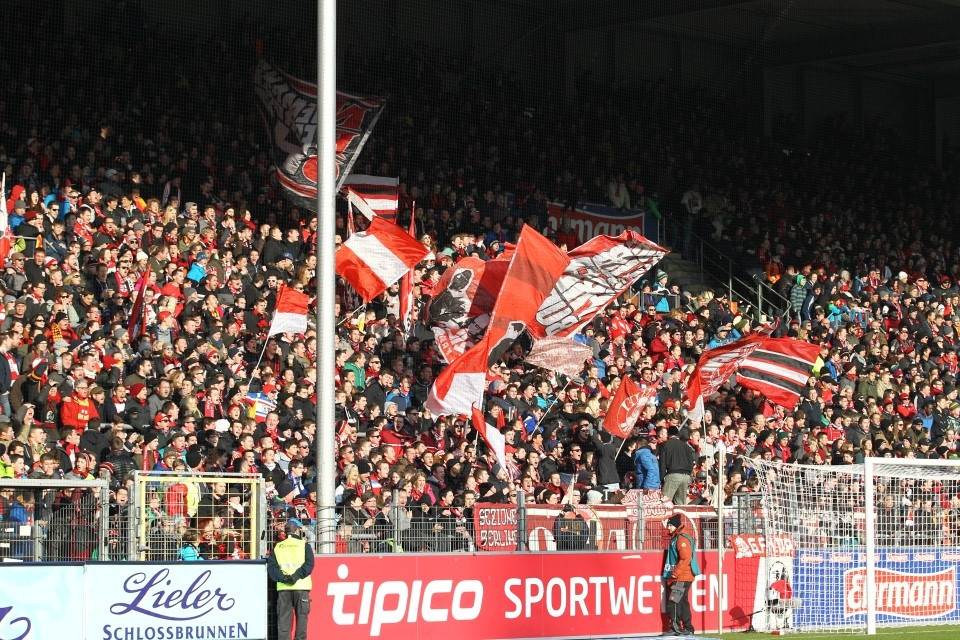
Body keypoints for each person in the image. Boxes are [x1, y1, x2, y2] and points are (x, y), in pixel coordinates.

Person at [268, 518, 314, 640]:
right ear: (296, 531)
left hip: (283, 588)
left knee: (283, 622)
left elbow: (272, 569)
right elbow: (309, 565)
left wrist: (284, 578)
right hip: (301, 587)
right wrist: (295, 577)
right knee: (301, 621)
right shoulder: (304, 545)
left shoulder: (278, 547)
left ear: (286, 532)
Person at [662, 513, 699, 635]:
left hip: (681, 576)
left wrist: (675, 573)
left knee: (674, 601)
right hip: (684, 575)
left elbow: (686, 558)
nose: (668, 528)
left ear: (675, 526)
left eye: (670, 525)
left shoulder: (681, 538)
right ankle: (688, 628)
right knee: (682, 602)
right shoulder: (678, 537)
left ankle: (675, 628)